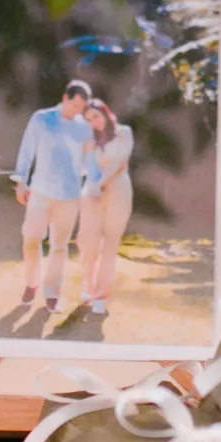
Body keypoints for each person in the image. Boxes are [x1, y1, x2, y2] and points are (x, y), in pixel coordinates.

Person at [12, 79, 92, 311]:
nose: (77, 111)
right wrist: (20, 181)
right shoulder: (42, 119)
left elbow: (88, 162)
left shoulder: (83, 128)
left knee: (59, 245)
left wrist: (84, 178)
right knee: (31, 238)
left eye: (82, 108)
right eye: (75, 105)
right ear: (65, 98)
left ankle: (52, 293)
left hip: (69, 195)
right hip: (40, 190)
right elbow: (27, 150)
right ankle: (31, 283)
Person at [75, 101, 134, 318]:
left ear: (106, 114)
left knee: (110, 243)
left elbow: (119, 162)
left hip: (117, 189)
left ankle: (102, 296)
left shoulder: (123, 133)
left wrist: (101, 183)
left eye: (96, 116)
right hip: (91, 192)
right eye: (89, 119)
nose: (94, 122)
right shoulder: (89, 140)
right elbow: (82, 166)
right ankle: (87, 285)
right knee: (88, 243)